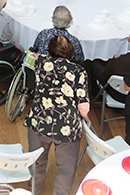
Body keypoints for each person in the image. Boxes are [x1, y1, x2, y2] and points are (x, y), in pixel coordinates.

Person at [25, 35, 90, 195]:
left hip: (39, 122)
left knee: (36, 163)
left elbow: (29, 58)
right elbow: (83, 107)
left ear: (50, 51)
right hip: (67, 127)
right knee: (66, 170)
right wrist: (86, 119)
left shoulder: (40, 62)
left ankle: (34, 191)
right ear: (71, 52)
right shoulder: (79, 71)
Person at [88, 27, 130, 102]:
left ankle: (96, 95)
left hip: (116, 94)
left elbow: (103, 79)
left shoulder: (118, 60)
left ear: (128, 40)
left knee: (93, 65)